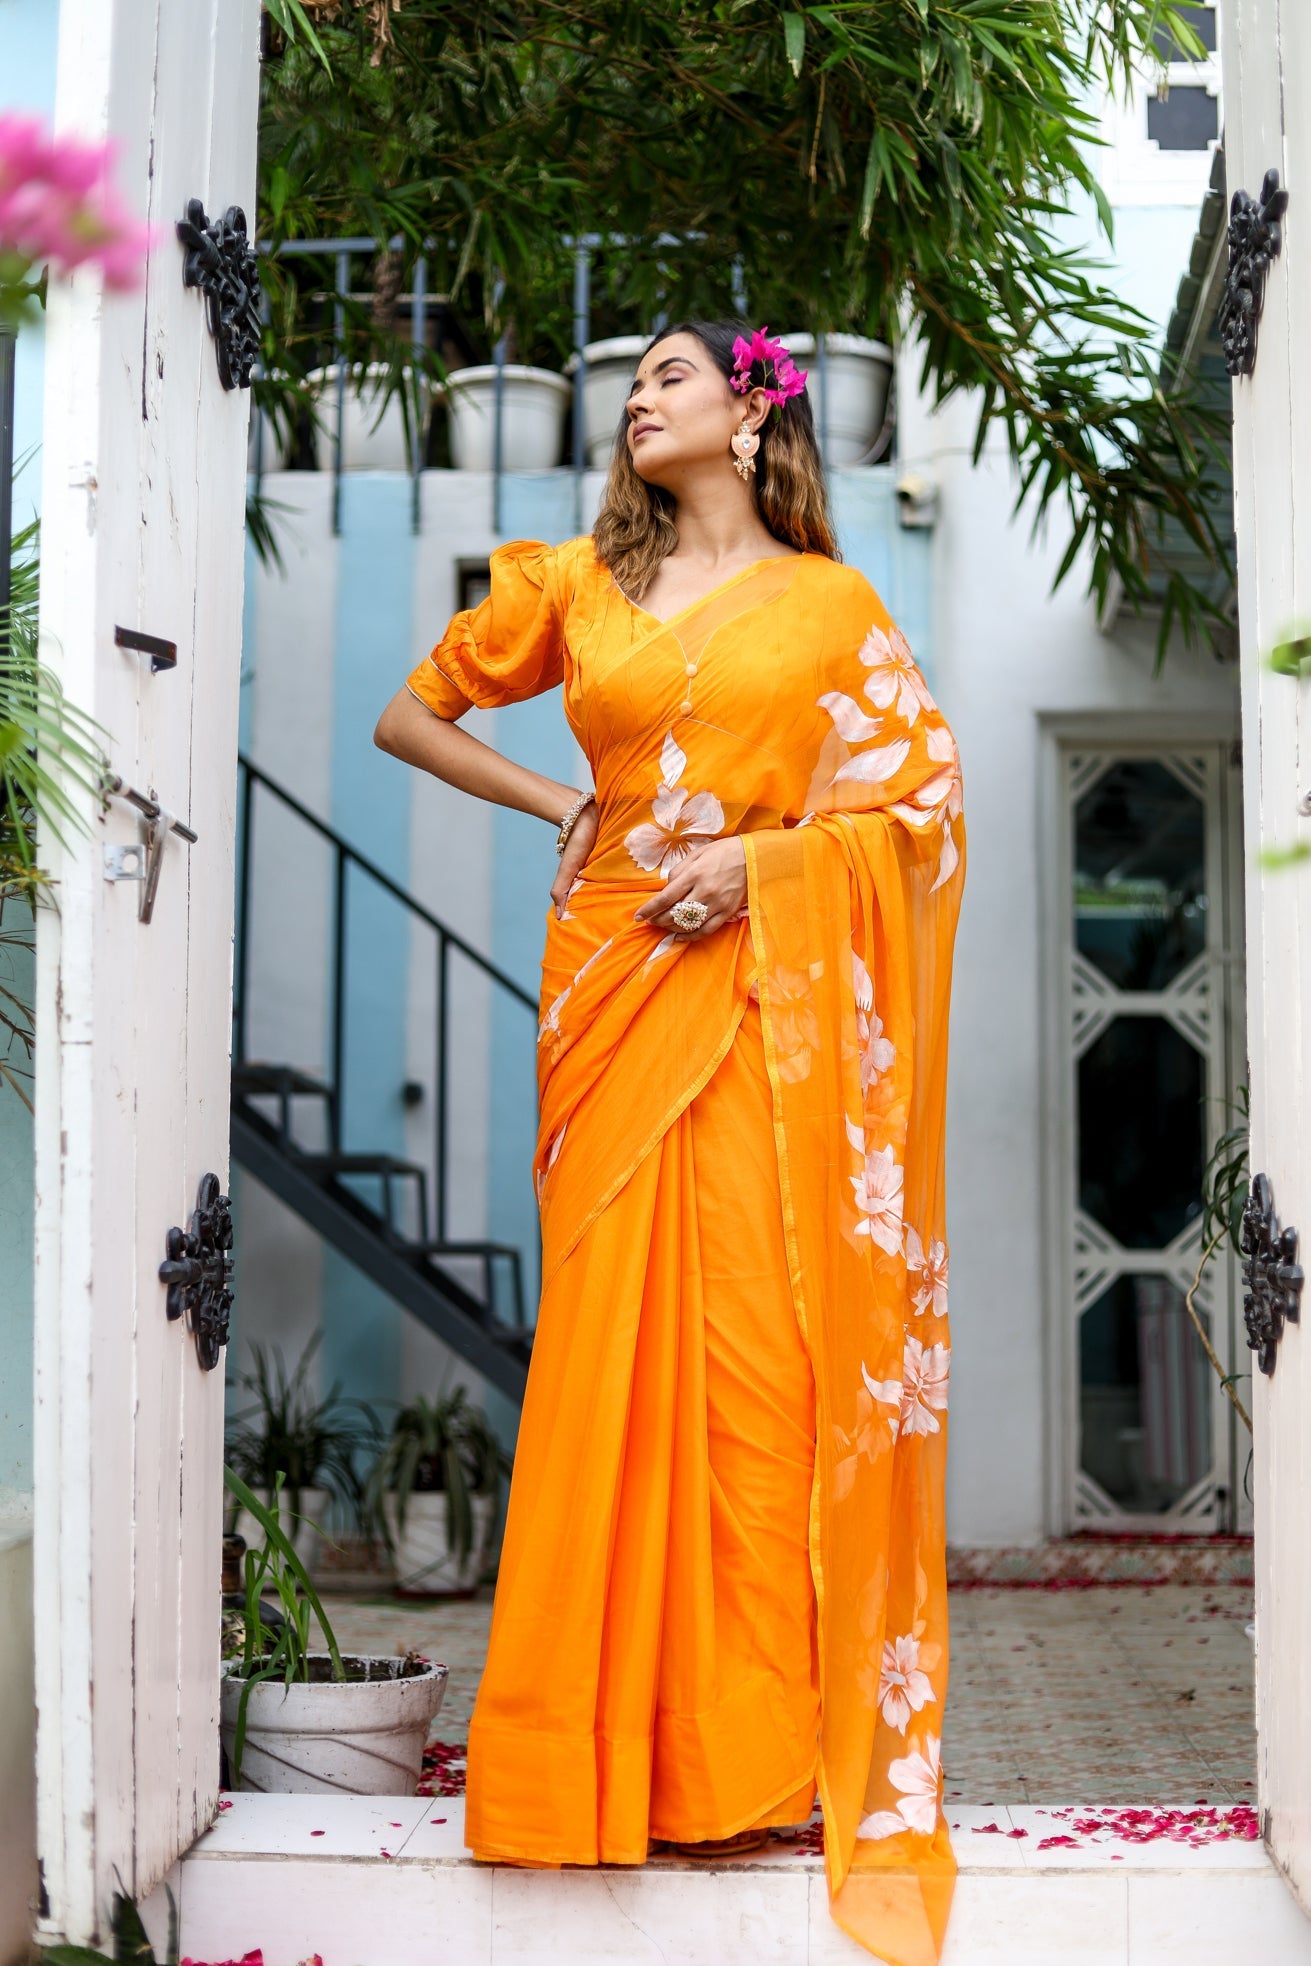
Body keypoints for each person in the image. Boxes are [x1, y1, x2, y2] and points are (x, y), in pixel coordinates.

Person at [375, 320, 964, 1966]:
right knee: (609, 1364)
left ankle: (753, 1760)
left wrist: (767, 874)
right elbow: (412, 716)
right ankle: (582, 1765)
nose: (639, 397)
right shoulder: (569, 586)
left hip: (764, 1018)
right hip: (616, 993)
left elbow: (918, 807)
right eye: (628, 385)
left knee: (761, 1370)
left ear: (754, 409)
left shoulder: (835, 608)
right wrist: (554, 802)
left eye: (672, 377)